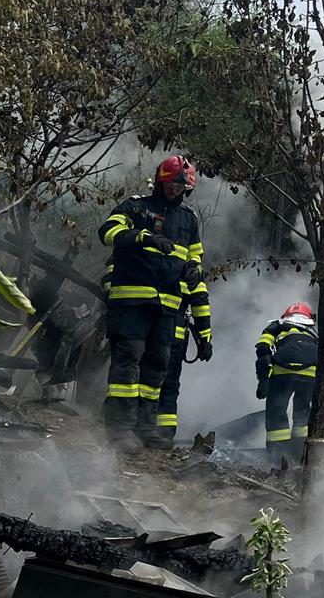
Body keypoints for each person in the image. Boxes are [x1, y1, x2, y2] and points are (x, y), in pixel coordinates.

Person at [97, 156, 205, 452]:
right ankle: (119, 429)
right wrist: (142, 237)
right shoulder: (135, 207)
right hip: (132, 300)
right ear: (160, 182)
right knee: (128, 360)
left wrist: (193, 268)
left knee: (157, 365)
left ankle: (145, 429)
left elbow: (195, 254)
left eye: (181, 187)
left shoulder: (189, 219)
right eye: (170, 184)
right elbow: (107, 232)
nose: (175, 190)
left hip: (167, 305)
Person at [255, 302, 319, 465]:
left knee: (276, 410)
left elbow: (263, 348)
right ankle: (299, 453)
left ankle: (277, 456)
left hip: (283, 372)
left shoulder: (278, 325)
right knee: (303, 411)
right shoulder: (313, 332)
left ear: (286, 315)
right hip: (310, 373)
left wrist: (263, 380)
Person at [154, 276, 213, 445]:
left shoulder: (146, 262)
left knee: (146, 381)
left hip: (146, 335)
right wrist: (205, 339)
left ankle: (139, 427)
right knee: (168, 386)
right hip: (174, 339)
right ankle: (164, 435)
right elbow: (201, 306)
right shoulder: (190, 269)